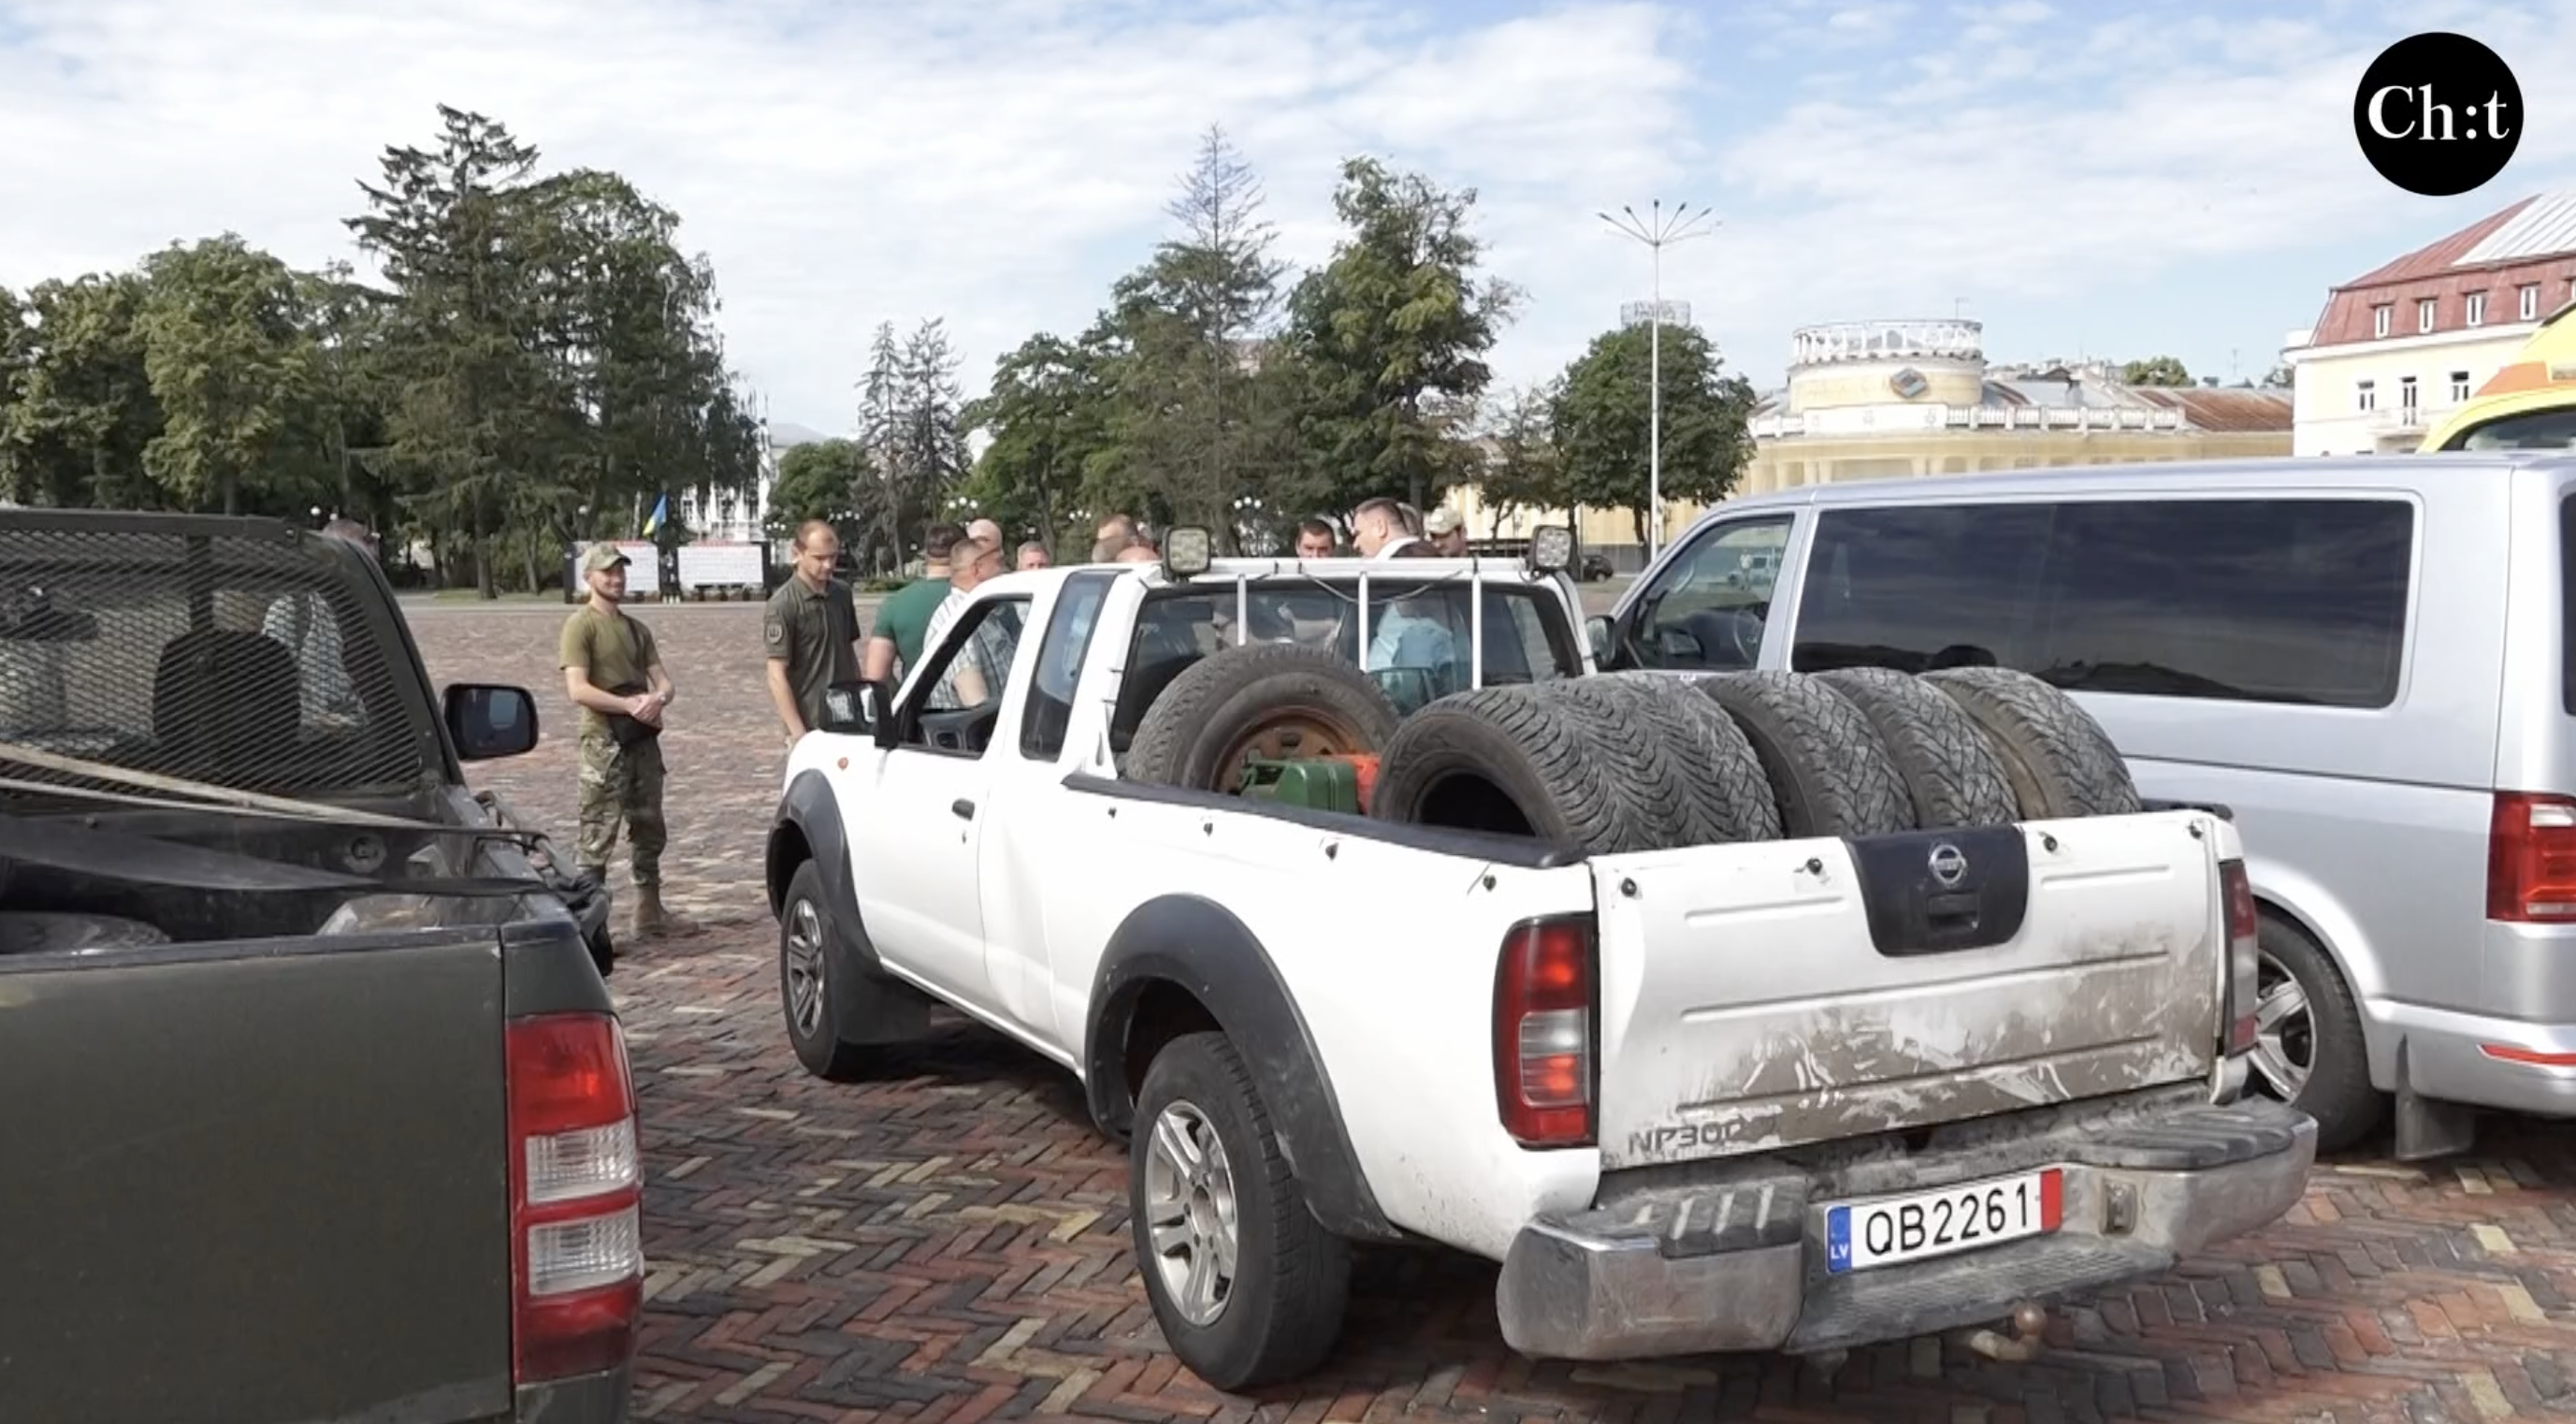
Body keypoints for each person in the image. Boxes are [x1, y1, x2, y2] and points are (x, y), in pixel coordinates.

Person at [558, 543, 688, 940]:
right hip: (604, 744)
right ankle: (590, 928)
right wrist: (626, 705)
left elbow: (664, 680)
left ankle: (649, 911)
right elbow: (578, 689)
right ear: (589, 578)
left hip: (641, 743)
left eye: (620, 572)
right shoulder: (581, 626)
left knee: (649, 825)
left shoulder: (636, 629)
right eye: (606, 573)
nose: (615, 579)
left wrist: (657, 698)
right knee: (597, 832)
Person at [264, 517, 377, 730]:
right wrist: (318, 719)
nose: (361, 579)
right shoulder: (292, 613)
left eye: (370, 571)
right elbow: (271, 694)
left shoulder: (374, 617)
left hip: (369, 740)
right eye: (351, 566)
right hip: (309, 743)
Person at [762, 519, 862, 743]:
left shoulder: (842, 594)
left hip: (847, 718)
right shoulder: (783, 604)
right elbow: (776, 674)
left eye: (833, 557)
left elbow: (848, 652)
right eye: (819, 558)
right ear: (797, 554)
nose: (828, 565)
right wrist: (798, 732)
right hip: (811, 721)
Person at [863, 522, 963, 683]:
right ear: (962, 553)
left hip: (918, 703)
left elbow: (876, 674)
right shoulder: (975, 597)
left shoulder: (894, 603)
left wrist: (901, 696)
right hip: (978, 704)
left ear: (926, 554)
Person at [920, 534, 1010, 706]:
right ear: (977, 569)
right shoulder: (957, 619)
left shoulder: (983, 611)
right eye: (999, 562)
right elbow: (975, 701)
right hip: (983, 730)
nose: (1004, 570)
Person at [1350, 497, 1418, 559]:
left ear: (1380, 527)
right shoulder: (1426, 551)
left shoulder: (1387, 567)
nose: (1355, 545)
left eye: (1358, 533)